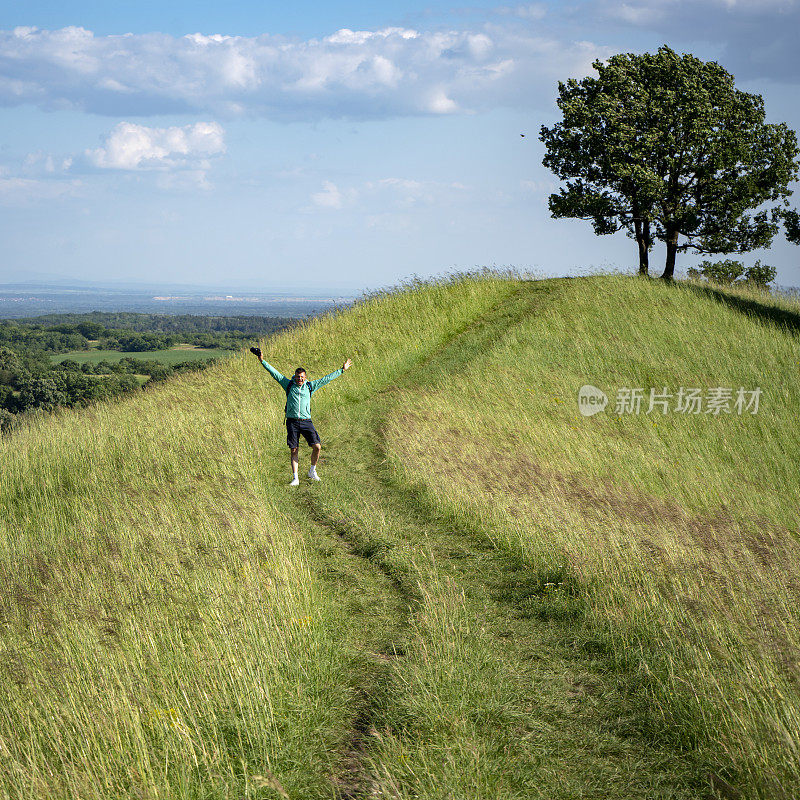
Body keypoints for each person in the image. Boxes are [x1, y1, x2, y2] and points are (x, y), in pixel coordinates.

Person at [251, 347, 352, 485]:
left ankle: (312, 471)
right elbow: (274, 373)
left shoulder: (310, 386)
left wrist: (342, 370)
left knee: (317, 447)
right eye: (298, 377)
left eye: (302, 377)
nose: (300, 379)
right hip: (292, 422)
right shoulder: (288, 384)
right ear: (295, 377)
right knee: (294, 449)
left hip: (306, 421)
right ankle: (295, 478)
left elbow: (326, 379)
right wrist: (262, 361)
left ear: (305, 378)